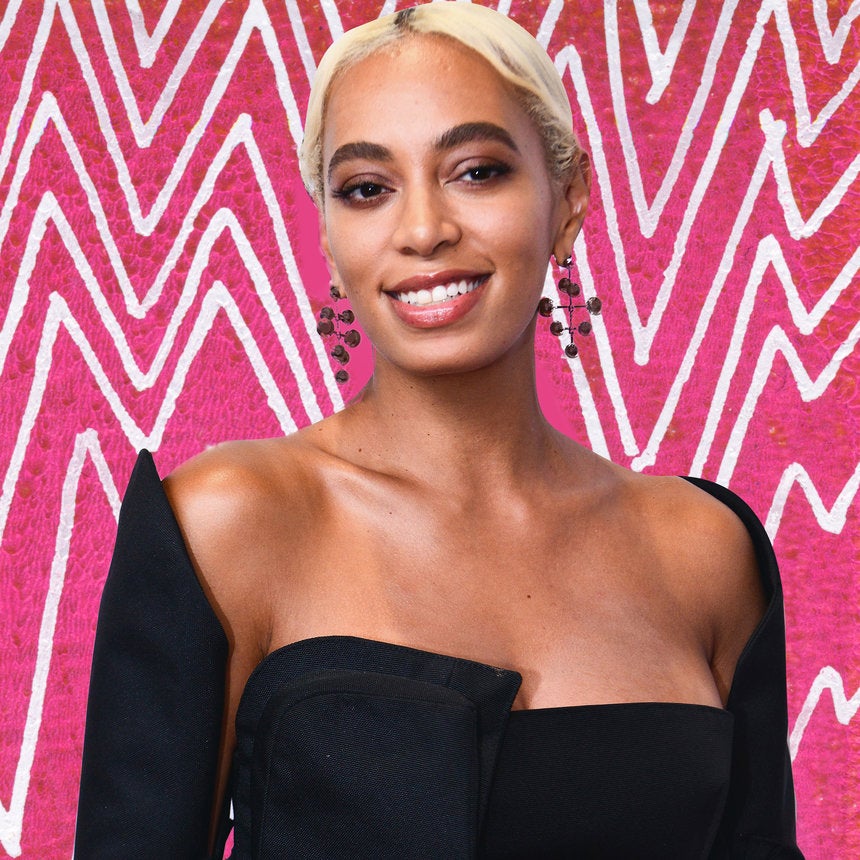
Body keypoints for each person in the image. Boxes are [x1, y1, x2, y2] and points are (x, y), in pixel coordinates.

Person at [75, 4, 802, 857]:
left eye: (477, 172)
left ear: (568, 199)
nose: (423, 231)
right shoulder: (232, 523)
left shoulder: (703, 551)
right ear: (329, 233)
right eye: (367, 189)